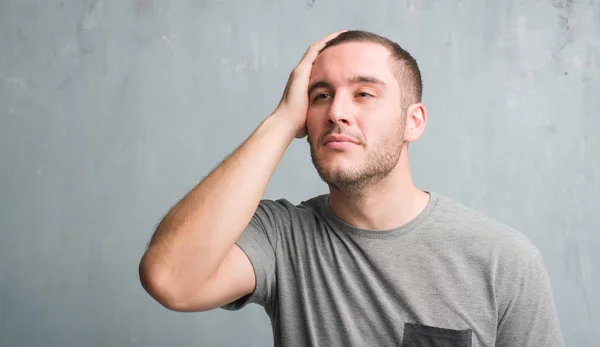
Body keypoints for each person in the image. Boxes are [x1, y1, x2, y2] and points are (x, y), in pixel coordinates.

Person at [138, 30, 565, 347]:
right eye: (320, 96)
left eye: (363, 93)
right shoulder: (281, 237)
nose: (337, 111)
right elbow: (171, 278)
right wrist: (281, 123)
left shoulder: (502, 260)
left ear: (413, 121)